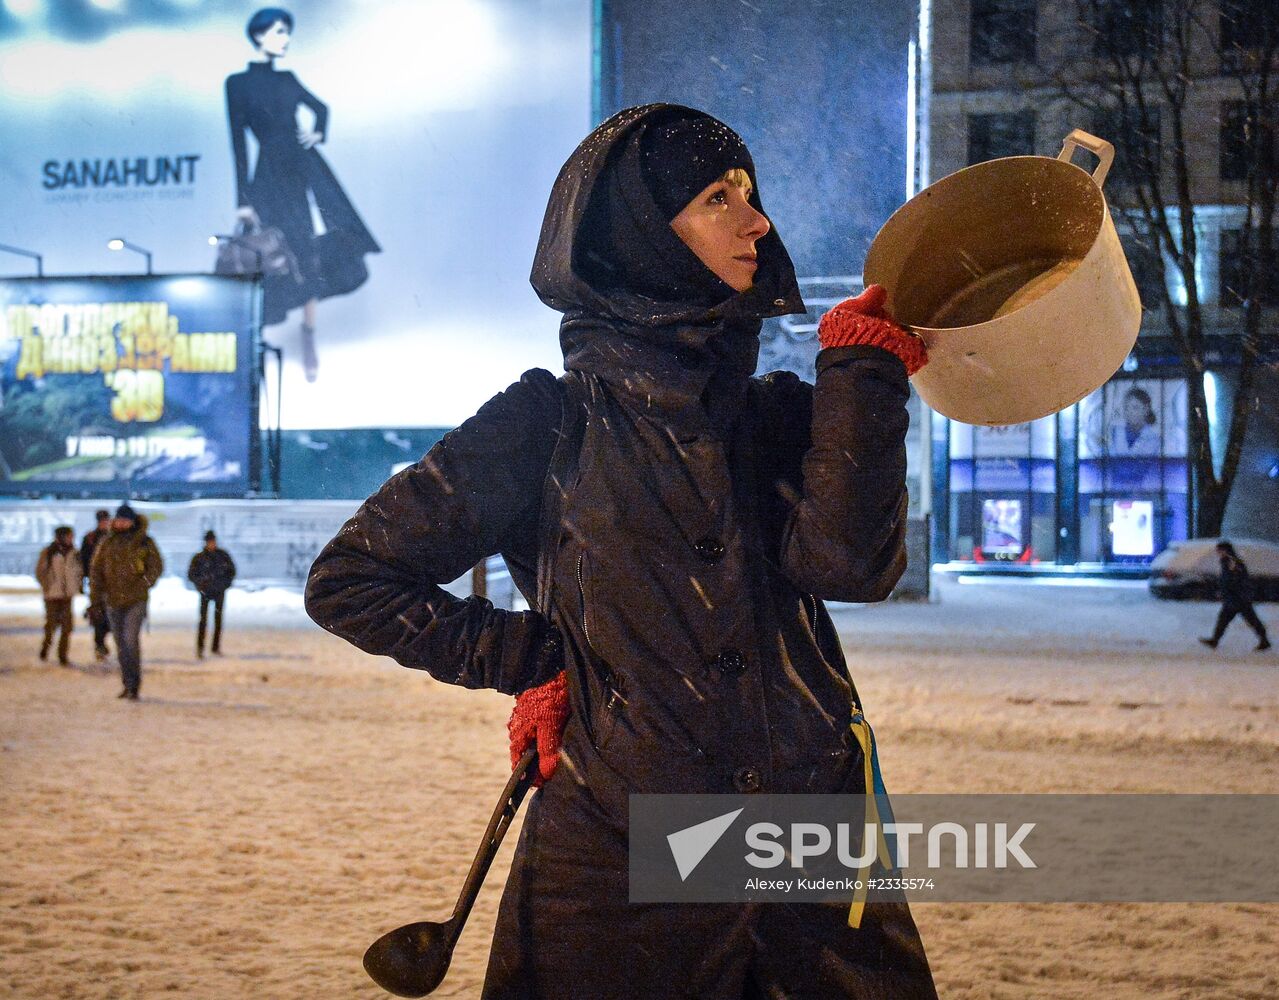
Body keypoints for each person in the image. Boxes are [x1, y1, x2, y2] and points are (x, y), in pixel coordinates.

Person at [306, 104, 936, 997]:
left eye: (750, 193)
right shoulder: (546, 421)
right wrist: (534, 659)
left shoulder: (774, 414)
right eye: (717, 198)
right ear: (637, 233)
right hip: (619, 859)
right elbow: (351, 579)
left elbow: (851, 568)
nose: (756, 221)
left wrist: (864, 377)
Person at [225, 6, 381, 382]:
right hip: (269, 175)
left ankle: (308, 333)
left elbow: (320, 108)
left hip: (302, 168)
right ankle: (256, 341)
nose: (285, 39)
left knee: (307, 249)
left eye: (287, 31)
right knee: (272, 253)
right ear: (259, 35)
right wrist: (243, 200)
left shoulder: (288, 78)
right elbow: (238, 142)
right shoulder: (238, 84)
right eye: (279, 31)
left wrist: (317, 133)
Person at [89, 504, 164, 700]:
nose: (122, 523)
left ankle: (134, 684)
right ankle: (127, 683)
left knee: (130, 641)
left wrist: (143, 584)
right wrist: (95, 599)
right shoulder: (107, 542)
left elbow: (156, 566)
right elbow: (96, 571)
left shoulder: (144, 542)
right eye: (119, 519)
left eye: (125, 520)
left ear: (132, 521)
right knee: (120, 644)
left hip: (135, 600)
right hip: (113, 600)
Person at [1200, 541, 1271, 651]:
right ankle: (1215, 640)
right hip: (1234, 597)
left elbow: (1236, 579)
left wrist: (1229, 591)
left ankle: (1264, 641)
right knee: (1226, 619)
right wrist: (1223, 591)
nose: (1217, 552)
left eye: (1219, 550)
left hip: (1238, 598)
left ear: (1225, 550)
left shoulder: (1232, 561)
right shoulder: (1227, 561)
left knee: (1250, 620)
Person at [35, 525, 82, 666]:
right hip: (52, 595)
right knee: (51, 625)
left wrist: (76, 584)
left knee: (67, 626)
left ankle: (63, 655)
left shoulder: (74, 552)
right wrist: (47, 585)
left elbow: (78, 570)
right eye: (69, 536)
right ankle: (45, 648)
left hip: (67, 595)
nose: (71, 539)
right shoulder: (48, 552)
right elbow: (40, 571)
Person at [188, 530, 237, 658]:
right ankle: (200, 648)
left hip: (218, 592)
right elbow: (191, 574)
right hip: (205, 592)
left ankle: (215, 647)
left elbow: (231, 572)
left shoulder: (222, 556)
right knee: (203, 621)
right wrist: (201, 584)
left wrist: (223, 585)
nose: (211, 544)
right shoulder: (200, 557)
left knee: (218, 620)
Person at [80, 508, 113, 659]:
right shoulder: (91, 538)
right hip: (96, 583)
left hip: (112, 583)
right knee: (99, 614)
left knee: (111, 614)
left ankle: (101, 643)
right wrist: (84, 579)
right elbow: (83, 560)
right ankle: (99, 644)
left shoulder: (113, 537)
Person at [1107, 385, 1160, 456]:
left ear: (1146, 409)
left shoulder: (1154, 438)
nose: (1129, 412)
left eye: (1135, 407)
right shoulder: (1115, 431)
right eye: (1126, 408)